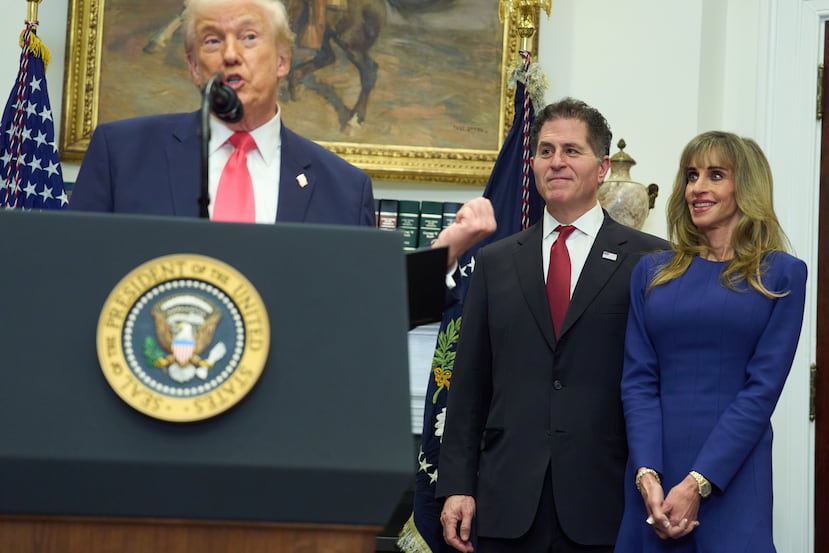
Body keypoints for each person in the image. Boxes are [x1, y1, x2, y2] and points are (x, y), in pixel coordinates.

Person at [436, 97, 667, 553]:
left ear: (602, 168)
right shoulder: (495, 261)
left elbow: (659, 383)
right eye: (546, 151)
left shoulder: (651, 260)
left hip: (606, 502)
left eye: (571, 150)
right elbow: (469, 384)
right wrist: (457, 485)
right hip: (507, 502)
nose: (556, 161)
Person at [614, 131, 807, 552]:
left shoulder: (782, 274)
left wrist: (697, 482)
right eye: (691, 175)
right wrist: (647, 475)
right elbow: (638, 381)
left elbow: (761, 391)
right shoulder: (651, 272)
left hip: (733, 476)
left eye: (715, 175)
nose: (697, 188)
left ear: (746, 187)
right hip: (653, 479)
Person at [69, 0, 374, 227]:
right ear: (194, 67)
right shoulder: (120, 156)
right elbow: (75, 272)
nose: (230, 55)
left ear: (282, 61)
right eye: (213, 41)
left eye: (249, 37)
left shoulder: (346, 190)